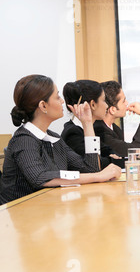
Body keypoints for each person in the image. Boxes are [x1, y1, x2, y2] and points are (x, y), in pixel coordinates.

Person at [0, 75, 121, 204]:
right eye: (57, 97)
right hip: (19, 214)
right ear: (43, 106)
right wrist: (98, 177)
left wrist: (87, 124)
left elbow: (91, 168)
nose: (62, 101)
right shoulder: (23, 140)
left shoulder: (54, 138)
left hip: (46, 210)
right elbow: (40, 177)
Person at [61, 80, 122, 168]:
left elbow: (109, 150)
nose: (107, 106)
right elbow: (95, 165)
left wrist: (109, 157)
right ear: (93, 104)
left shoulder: (91, 127)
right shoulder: (72, 133)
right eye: (104, 100)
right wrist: (111, 160)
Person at [94, 80, 140, 158]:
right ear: (113, 109)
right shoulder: (100, 131)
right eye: (123, 101)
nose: (127, 103)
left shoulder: (115, 128)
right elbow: (136, 151)